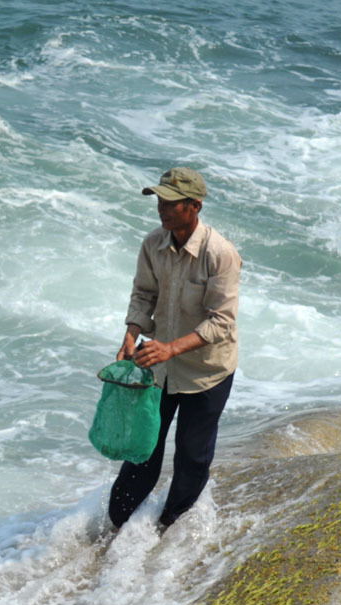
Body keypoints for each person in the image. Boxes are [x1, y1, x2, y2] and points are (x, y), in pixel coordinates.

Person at [108, 166, 242, 531]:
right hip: (160, 369)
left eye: (171, 202)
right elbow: (144, 294)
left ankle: (170, 527)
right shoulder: (153, 244)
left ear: (194, 207)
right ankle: (117, 526)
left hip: (207, 372)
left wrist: (169, 349)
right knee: (143, 448)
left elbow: (221, 321)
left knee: (192, 455)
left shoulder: (220, 254)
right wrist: (132, 333)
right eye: (159, 200)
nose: (162, 208)